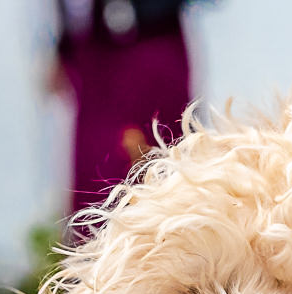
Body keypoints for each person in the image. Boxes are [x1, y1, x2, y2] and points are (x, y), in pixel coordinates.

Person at [52, 0, 196, 224]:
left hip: (152, 36)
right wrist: (60, 44)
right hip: (91, 48)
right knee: (96, 182)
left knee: (165, 168)